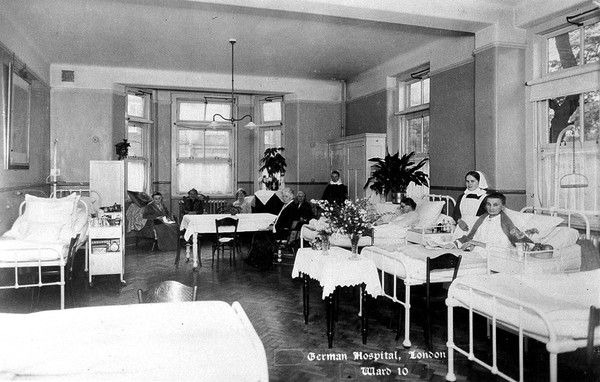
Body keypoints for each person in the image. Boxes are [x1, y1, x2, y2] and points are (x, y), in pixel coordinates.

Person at [453, 192, 532, 251]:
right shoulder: (482, 219)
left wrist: (478, 244)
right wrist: (455, 243)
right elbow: (471, 236)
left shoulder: (505, 224)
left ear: (503, 207)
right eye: (489, 204)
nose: (491, 208)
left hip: (492, 256)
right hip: (475, 251)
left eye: (495, 205)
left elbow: (504, 248)